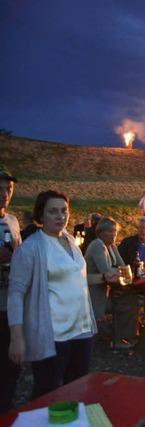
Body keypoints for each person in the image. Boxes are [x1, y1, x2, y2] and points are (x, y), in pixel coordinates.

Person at [8, 190, 96, 398]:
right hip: (53, 335)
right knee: (48, 393)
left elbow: (75, 279)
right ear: (41, 215)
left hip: (81, 330)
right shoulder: (31, 248)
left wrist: (103, 278)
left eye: (64, 211)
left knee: (77, 389)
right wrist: (17, 337)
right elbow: (16, 294)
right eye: (53, 211)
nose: (60, 216)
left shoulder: (71, 241)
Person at [84, 217, 139, 350]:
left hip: (106, 290)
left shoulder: (110, 246)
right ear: (101, 232)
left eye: (115, 231)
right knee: (126, 303)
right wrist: (121, 273)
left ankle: (126, 335)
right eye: (110, 231)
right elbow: (107, 272)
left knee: (131, 299)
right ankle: (118, 338)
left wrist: (121, 269)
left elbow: (123, 267)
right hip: (95, 294)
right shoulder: (97, 246)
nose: (113, 234)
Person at [0, 166, 21, 413]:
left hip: (11, 304)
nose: (5, 193)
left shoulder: (13, 221)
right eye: (1, 189)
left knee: (11, 365)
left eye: (9, 189)